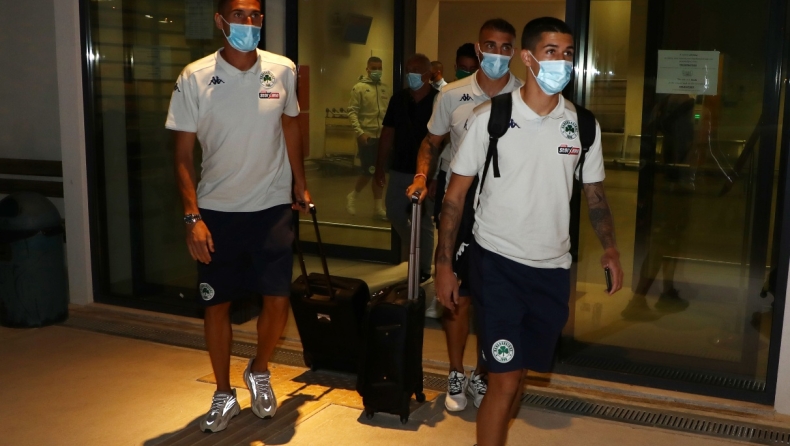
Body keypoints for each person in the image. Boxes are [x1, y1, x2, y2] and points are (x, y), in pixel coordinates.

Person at [435, 17, 623, 446]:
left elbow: (594, 194)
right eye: (551, 52)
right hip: (497, 265)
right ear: (528, 57)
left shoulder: (583, 125)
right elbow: (454, 197)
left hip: (552, 269)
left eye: (568, 53)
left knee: (519, 375)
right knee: (504, 378)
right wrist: (444, 265)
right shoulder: (491, 118)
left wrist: (610, 248)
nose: (562, 62)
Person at [166, 0, 311, 433]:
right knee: (217, 306)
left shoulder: (282, 69)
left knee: (278, 300)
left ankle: (259, 369)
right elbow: (182, 154)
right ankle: (223, 392)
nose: (249, 23)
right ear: (220, 21)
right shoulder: (194, 77)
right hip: (217, 211)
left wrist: (299, 183)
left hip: (272, 207)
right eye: (239, 15)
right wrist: (192, 217)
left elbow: (290, 124)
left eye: (255, 15)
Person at [406, 20, 523, 413]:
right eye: (490, 45)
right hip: (460, 202)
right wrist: (421, 175)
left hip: (504, 206)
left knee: (495, 297)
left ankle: (483, 372)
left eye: (505, 47)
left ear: (514, 51)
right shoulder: (451, 94)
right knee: (458, 293)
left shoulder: (525, 96)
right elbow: (432, 142)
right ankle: (455, 371)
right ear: (478, 48)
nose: (497, 54)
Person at [374, 54, 438, 284]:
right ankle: (415, 245)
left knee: (425, 221)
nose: (411, 74)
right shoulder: (399, 99)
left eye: (417, 70)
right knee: (394, 211)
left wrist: (435, 176)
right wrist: (379, 166)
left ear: (428, 75)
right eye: (409, 69)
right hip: (400, 167)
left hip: (428, 172)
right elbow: (388, 133)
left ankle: (423, 269)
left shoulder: (439, 100)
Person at [347, 56, 391, 220]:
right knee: (369, 171)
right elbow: (352, 112)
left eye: (379, 68)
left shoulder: (385, 89)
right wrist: (360, 133)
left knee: (380, 172)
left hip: (383, 137)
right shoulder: (359, 88)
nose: (377, 71)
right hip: (367, 136)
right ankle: (353, 196)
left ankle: (378, 209)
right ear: (367, 69)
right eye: (374, 68)